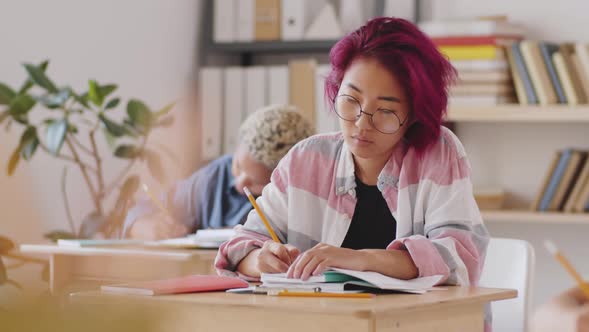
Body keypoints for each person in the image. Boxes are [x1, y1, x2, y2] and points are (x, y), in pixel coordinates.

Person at [215, 17, 488, 293]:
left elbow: (459, 257)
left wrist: (359, 259)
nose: (361, 123)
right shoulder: (306, 159)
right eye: (351, 100)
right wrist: (258, 260)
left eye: (386, 111)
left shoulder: (437, 153)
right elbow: (239, 246)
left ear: (415, 113)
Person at [123, 104, 314, 240]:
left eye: (256, 182)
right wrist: (143, 225)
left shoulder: (307, 195)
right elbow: (144, 208)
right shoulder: (217, 175)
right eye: (238, 166)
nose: (240, 183)